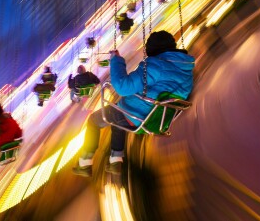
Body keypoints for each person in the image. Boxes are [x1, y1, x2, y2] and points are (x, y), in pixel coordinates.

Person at [73, 31, 195, 177]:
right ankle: (115, 161)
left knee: (94, 121)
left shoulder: (156, 66)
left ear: (153, 49)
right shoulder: (186, 72)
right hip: (156, 121)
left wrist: (116, 60)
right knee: (118, 117)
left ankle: (85, 163)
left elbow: (123, 87)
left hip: (137, 115)